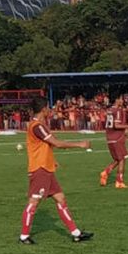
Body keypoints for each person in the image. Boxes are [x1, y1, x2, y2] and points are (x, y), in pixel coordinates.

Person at [19, 97, 93, 245]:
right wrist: (79, 144)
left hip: (47, 168)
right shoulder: (36, 126)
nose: (49, 110)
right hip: (39, 169)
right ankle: (24, 236)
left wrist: (52, 160)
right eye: (48, 107)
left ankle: (76, 233)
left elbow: (45, 146)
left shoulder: (39, 125)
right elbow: (57, 143)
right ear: (43, 109)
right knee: (33, 202)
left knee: (60, 198)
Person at [99, 96, 128, 189]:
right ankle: (119, 182)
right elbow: (116, 125)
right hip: (116, 139)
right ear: (116, 100)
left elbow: (111, 125)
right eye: (121, 99)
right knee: (122, 159)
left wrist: (124, 135)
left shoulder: (109, 110)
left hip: (110, 138)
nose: (122, 100)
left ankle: (105, 172)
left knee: (118, 159)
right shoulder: (117, 111)